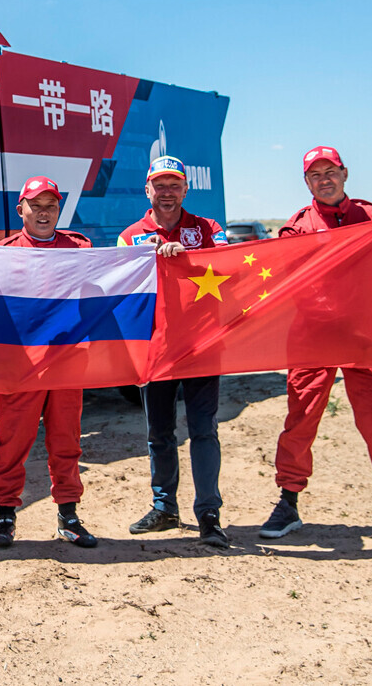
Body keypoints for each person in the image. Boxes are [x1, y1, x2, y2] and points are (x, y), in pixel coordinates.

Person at [260, 146, 372, 542]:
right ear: (307, 182)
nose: (324, 180)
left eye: (330, 172)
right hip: (311, 339)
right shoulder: (297, 227)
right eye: (315, 175)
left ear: (344, 173)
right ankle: (288, 502)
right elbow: (277, 277)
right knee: (300, 421)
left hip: (365, 337)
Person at [119, 156, 232, 548]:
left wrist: (182, 257)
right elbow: (118, 283)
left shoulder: (209, 229)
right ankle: (165, 507)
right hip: (157, 349)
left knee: (204, 431)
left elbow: (228, 264)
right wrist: (139, 257)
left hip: (202, 346)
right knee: (159, 434)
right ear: (147, 190)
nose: (167, 193)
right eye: (159, 185)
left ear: (186, 190)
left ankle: (209, 514)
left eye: (174, 185)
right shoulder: (131, 236)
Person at [0, 176, 98, 549]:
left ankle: (69, 516)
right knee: (12, 442)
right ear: (21, 209)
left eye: (51, 206)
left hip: (68, 362)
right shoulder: (4, 252)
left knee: (67, 441)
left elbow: (101, 291)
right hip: (22, 367)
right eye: (36, 205)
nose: (44, 213)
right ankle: (4, 516)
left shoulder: (79, 248)